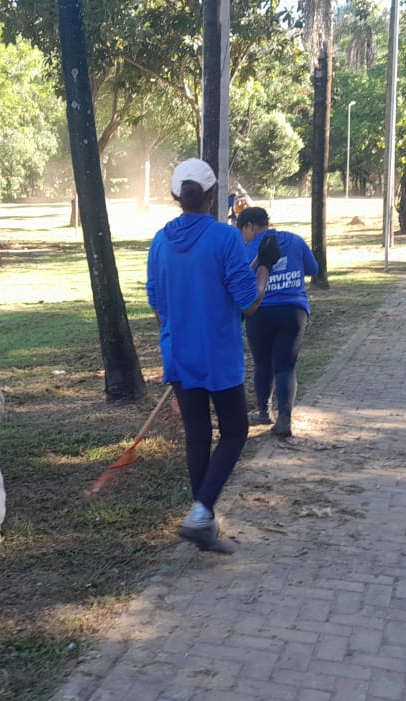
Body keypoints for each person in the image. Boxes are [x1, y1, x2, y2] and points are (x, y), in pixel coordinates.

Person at [147, 158, 280, 553]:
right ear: (211, 196)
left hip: (180, 354)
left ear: (176, 196)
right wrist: (265, 268)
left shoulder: (159, 241)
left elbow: (157, 306)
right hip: (218, 356)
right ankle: (202, 510)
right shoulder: (225, 239)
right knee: (236, 432)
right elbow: (249, 303)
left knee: (198, 437)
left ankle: (202, 521)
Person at [236, 206, 320, 439]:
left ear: (250, 226)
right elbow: (314, 268)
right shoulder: (294, 240)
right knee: (285, 366)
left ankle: (264, 412)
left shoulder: (247, 248)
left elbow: (239, 281)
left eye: (242, 231)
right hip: (294, 311)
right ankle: (285, 417)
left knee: (263, 364)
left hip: (260, 311)